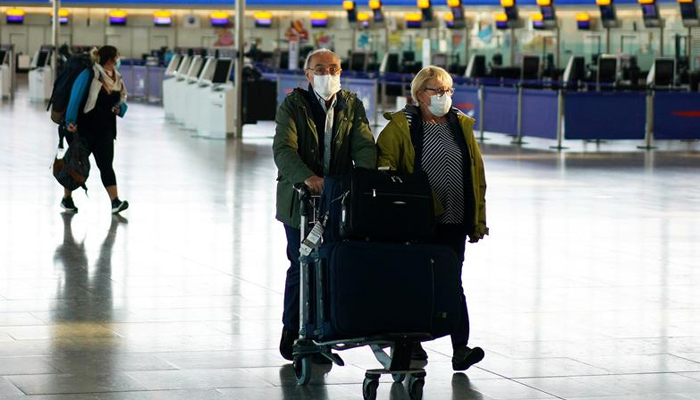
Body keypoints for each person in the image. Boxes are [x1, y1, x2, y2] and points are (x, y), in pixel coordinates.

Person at [376, 66, 488, 371]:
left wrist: (477, 219)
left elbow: (475, 175)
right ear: (418, 94)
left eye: (448, 90)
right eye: (436, 91)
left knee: (452, 283)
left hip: (455, 218)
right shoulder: (401, 126)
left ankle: (460, 349)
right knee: (414, 282)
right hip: (418, 219)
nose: (443, 97)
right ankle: (409, 343)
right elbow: (384, 163)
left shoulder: (460, 125)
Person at [273, 48, 377, 361]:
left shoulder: (351, 104)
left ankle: (324, 332)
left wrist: (369, 177)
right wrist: (308, 177)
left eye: (333, 68)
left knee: (332, 264)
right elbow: (283, 149)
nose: (327, 74)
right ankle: (293, 330)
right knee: (301, 264)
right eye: (320, 69)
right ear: (308, 75)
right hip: (300, 200)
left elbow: (362, 142)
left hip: (337, 200)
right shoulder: (293, 104)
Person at [61, 46, 129, 215]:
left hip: (105, 130)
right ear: (110, 59)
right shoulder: (90, 74)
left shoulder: (117, 78)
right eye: (116, 57)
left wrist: (120, 109)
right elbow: (75, 97)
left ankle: (115, 202)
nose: (118, 60)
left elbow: (123, 101)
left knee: (106, 165)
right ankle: (66, 198)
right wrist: (70, 121)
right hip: (84, 128)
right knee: (76, 165)